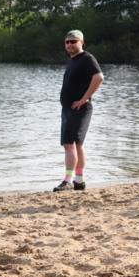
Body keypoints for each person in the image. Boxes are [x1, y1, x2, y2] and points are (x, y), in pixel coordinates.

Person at [53, 30, 104, 192]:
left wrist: (84, 99)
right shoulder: (73, 60)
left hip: (80, 108)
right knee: (77, 145)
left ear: (82, 42)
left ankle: (67, 180)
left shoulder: (86, 58)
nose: (70, 44)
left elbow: (99, 77)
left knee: (70, 145)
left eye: (73, 41)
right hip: (69, 109)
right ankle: (79, 180)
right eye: (67, 42)